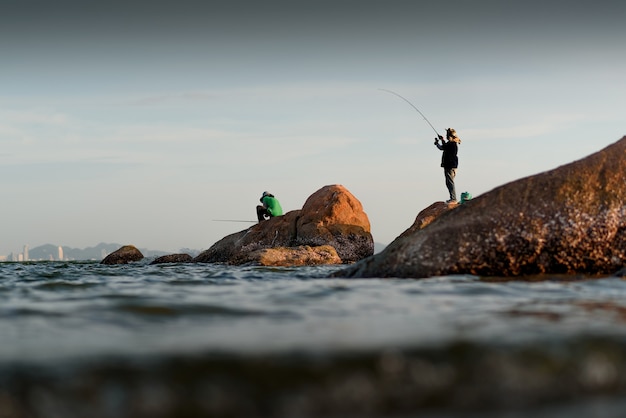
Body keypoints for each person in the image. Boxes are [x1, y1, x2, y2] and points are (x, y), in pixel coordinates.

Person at [434, 128, 461, 203]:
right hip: (452, 166)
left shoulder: (451, 144)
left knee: (450, 182)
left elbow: (443, 147)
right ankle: (452, 198)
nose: (446, 137)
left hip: (450, 166)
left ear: (450, 136)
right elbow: (443, 147)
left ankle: (453, 198)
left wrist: (440, 141)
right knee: (449, 182)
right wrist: (439, 142)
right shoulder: (451, 144)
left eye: (447, 135)